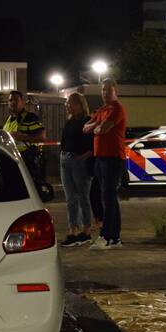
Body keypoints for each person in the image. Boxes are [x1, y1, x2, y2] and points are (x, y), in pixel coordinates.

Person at [83, 78, 127, 249]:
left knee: (107, 198)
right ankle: (115, 238)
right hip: (100, 157)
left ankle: (106, 236)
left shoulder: (117, 109)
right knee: (105, 197)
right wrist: (97, 124)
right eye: (102, 89)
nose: (104, 92)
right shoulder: (103, 109)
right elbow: (86, 128)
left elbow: (103, 129)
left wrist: (97, 126)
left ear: (115, 90)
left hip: (113, 158)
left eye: (108, 90)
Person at [59, 93, 95, 246]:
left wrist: (84, 156)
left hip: (78, 160)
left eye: (69, 103)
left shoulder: (87, 121)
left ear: (79, 104)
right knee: (70, 199)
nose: (67, 105)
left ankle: (86, 231)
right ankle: (72, 230)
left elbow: (93, 143)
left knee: (83, 196)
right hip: (65, 159)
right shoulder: (70, 121)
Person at [3, 90, 46, 186]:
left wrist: (21, 137)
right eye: (10, 100)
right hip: (13, 160)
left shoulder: (30, 117)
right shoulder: (9, 119)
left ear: (22, 102)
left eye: (16, 100)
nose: (13, 102)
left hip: (27, 161)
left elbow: (42, 137)